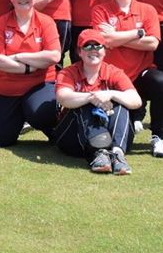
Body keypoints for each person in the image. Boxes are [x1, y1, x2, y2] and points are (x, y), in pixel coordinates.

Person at [90, 0, 163, 158]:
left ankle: (158, 138)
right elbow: (105, 41)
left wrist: (118, 37)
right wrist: (137, 34)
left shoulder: (147, 10)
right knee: (122, 141)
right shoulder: (100, 10)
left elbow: (152, 43)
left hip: (141, 72)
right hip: (113, 77)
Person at [0, 0, 61, 147]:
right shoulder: (1, 22)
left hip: (40, 84)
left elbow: (54, 56)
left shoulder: (46, 22)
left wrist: (19, 57)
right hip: (9, 89)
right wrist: (29, 68)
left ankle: (55, 128)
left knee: (40, 113)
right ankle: (19, 116)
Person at [54, 28, 143, 175]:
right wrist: (92, 97)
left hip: (109, 132)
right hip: (72, 138)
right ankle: (99, 153)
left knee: (121, 104)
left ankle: (117, 153)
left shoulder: (113, 72)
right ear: (79, 52)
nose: (93, 50)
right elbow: (63, 97)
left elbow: (136, 100)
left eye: (98, 46)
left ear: (105, 50)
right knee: (84, 104)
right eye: (87, 46)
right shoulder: (68, 73)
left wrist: (110, 94)